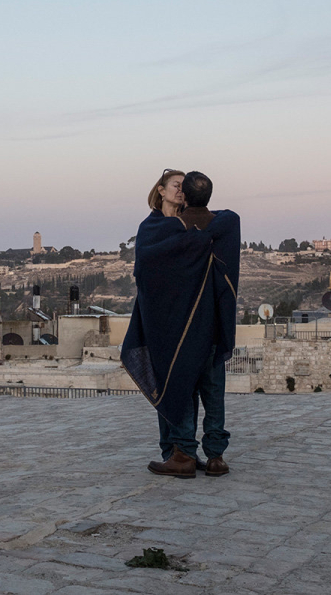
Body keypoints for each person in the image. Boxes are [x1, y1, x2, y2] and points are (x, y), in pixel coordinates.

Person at [122, 169, 239, 479]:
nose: (182, 191)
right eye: (176, 185)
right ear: (160, 190)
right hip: (169, 325)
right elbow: (148, 275)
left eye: (186, 187)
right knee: (177, 386)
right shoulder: (153, 229)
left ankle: (196, 454)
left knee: (209, 390)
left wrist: (199, 224)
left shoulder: (197, 223)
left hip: (205, 324)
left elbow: (228, 220)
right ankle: (180, 451)